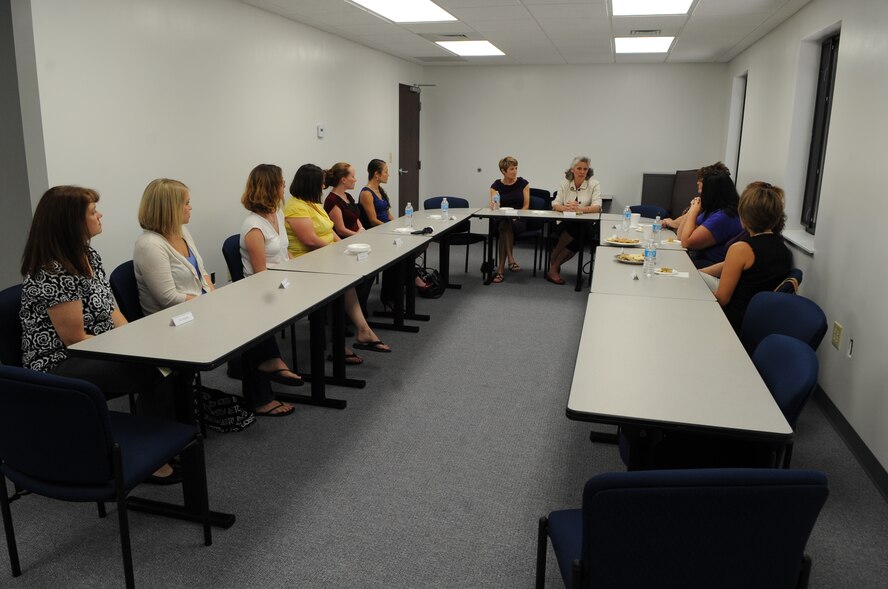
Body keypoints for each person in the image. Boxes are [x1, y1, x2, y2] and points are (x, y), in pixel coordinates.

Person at [19, 185, 179, 483]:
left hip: (100, 347)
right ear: (71, 222)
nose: (100, 215)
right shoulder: (53, 271)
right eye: (93, 212)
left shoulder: (87, 254)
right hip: (60, 363)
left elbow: (111, 310)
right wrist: (131, 350)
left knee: (168, 359)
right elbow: (75, 340)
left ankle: (164, 438)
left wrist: (136, 338)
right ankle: (154, 456)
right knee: (156, 371)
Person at [135, 177, 300, 418]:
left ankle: (264, 369)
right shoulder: (149, 245)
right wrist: (212, 304)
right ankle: (263, 376)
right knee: (249, 318)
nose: (191, 208)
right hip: (172, 321)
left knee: (254, 313)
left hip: (198, 308)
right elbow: (167, 298)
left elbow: (202, 275)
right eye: (186, 203)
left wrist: (214, 296)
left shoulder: (181, 232)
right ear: (169, 208)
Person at [285, 163, 392, 355]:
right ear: (310, 184)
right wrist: (337, 251)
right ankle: (341, 342)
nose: (323, 187)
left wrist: (340, 248)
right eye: (320, 183)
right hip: (307, 262)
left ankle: (361, 330)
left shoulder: (314, 203)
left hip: (325, 256)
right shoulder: (295, 206)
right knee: (342, 282)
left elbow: (330, 230)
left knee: (350, 280)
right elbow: (310, 240)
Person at [700, 181, 793, 333]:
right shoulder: (783, 249)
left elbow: (722, 299)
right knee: (696, 277)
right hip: (756, 318)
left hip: (733, 319)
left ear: (743, 217)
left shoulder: (741, 249)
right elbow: (728, 266)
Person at [545, 156, 602, 285]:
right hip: (565, 224)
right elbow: (555, 204)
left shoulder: (594, 184)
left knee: (581, 231)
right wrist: (565, 208)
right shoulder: (564, 184)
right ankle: (554, 266)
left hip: (583, 224)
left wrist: (579, 210)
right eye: (579, 168)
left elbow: (597, 207)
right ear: (572, 170)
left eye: (585, 169)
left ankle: (554, 260)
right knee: (581, 233)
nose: (582, 172)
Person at [676, 172, 745, 268]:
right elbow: (680, 236)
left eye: (702, 191)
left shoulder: (723, 216)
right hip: (701, 260)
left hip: (711, 265)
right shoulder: (713, 210)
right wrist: (691, 211)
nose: (700, 194)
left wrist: (693, 212)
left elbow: (686, 242)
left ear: (711, 193)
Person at [489, 156, 530, 283]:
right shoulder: (496, 185)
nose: (515, 171)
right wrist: (494, 205)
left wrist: (516, 216)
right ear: (503, 171)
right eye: (512, 169)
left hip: (519, 219)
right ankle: (511, 260)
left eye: (516, 168)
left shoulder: (523, 183)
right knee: (504, 223)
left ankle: (500, 270)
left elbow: (526, 206)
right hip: (502, 218)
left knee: (504, 228)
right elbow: (494, 204)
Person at [662, 162, 731, 230]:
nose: (697, 182)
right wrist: (671, 222)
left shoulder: (720, 214)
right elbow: (683, 221)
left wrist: (692, 211)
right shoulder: (707, 203)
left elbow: (685, 237)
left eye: (701, 180)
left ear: (711, 184)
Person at [324, 162, 365, 239]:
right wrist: (358, 234)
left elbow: (355, 218)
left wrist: (361, 229)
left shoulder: (348, 196)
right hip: (345, 241)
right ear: (343, 180)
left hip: (356, 236)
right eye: (353, 177)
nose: (355, 180)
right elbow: (340, 230)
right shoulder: (332, 200)